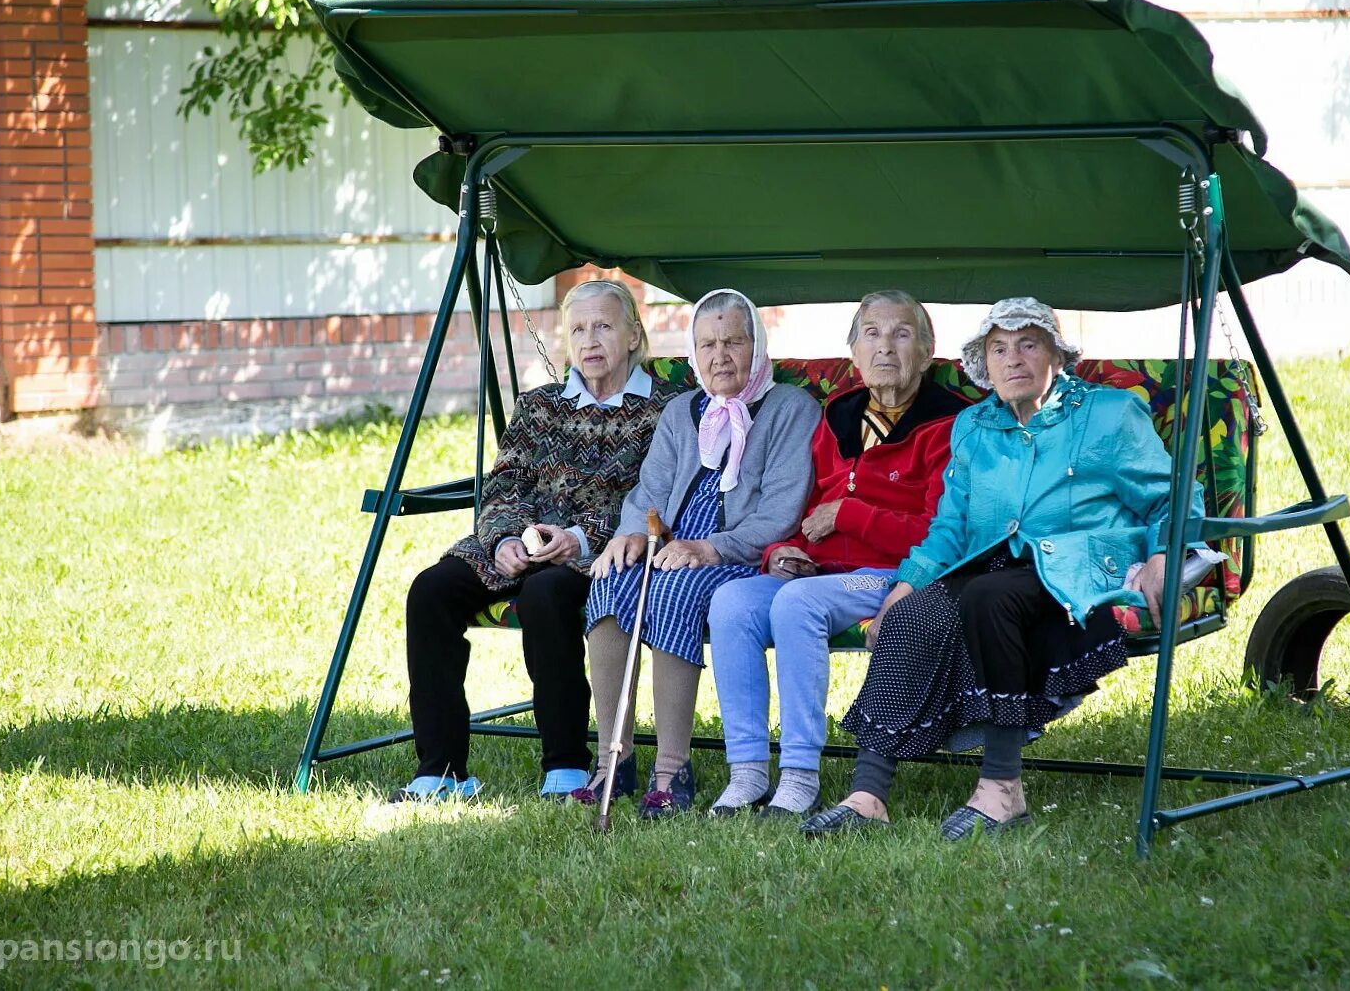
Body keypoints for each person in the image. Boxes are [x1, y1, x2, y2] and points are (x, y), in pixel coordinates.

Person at [800, 296, 1204, 840]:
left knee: (987, 599)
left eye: (1028, 345)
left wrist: (1162, 553)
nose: (1013, 359)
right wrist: (906, 584)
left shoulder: (1106, 414)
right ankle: (868, 793)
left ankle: (1002, 789)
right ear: (983, 365)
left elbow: (1173, 495)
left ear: (1056, 355)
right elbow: (949, 527)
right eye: (999, 349)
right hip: (988, 567)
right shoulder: (973, 428)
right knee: (911, 615)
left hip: (1075, 566)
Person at [392, 279, 682, 803]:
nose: (589, 340)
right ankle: (440, 770)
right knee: (430, 590)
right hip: (515, 544)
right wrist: (505, 538)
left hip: (598, 554)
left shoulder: (666, 409)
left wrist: (576, 538)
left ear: (634, 335)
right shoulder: (540, 405)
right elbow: (504, 483)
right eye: (577, 329)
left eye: (603, 326)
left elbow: (656, 496)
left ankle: (565, 765)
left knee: (545, 596)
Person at [705, 290, 970, 819]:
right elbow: (808, 510)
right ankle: (749, 770)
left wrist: (850, 514)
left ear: (927, 350)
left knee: (797, 604)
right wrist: (784, 553)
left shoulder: (951, 423)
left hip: (896, 577)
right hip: (822, 572)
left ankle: (800, 773)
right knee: (732, 602)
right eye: (871, 334)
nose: (886, 348)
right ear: (853, 350)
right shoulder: (838, 415)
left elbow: (941, 532)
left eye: (901, 334)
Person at [576, 288, 821, 818]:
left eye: (733, 341)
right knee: (609, 583)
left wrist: (710, 547)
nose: (720, 356)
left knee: (673, 589)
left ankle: (671, 770)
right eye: (707, 344)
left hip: (741, 556)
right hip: (674, 548)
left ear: (756, 347)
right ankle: (610, 763)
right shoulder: (684, 411)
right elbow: (649, 492)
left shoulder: (789, 410)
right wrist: (631, 533)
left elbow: (781, 511)